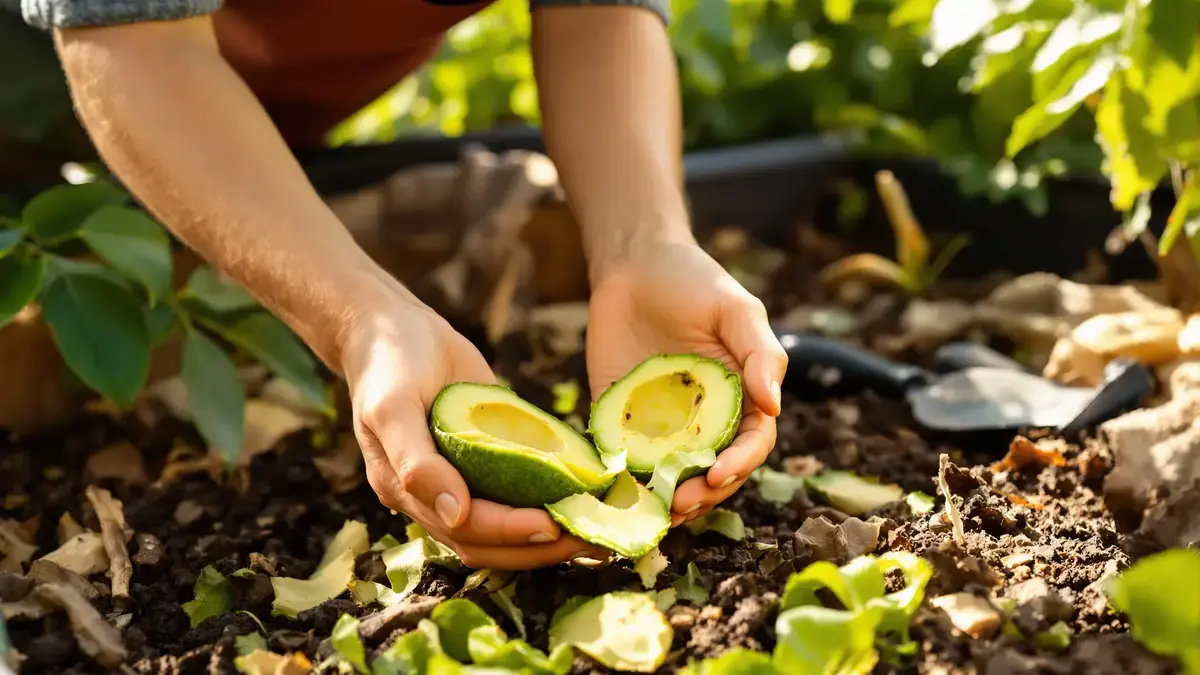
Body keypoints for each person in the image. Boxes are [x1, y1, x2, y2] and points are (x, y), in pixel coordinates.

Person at [13, 0, 788, 570]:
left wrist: (642, 243)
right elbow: (135, 42)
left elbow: (596, 10)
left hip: (249, 97)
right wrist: (360, 317)